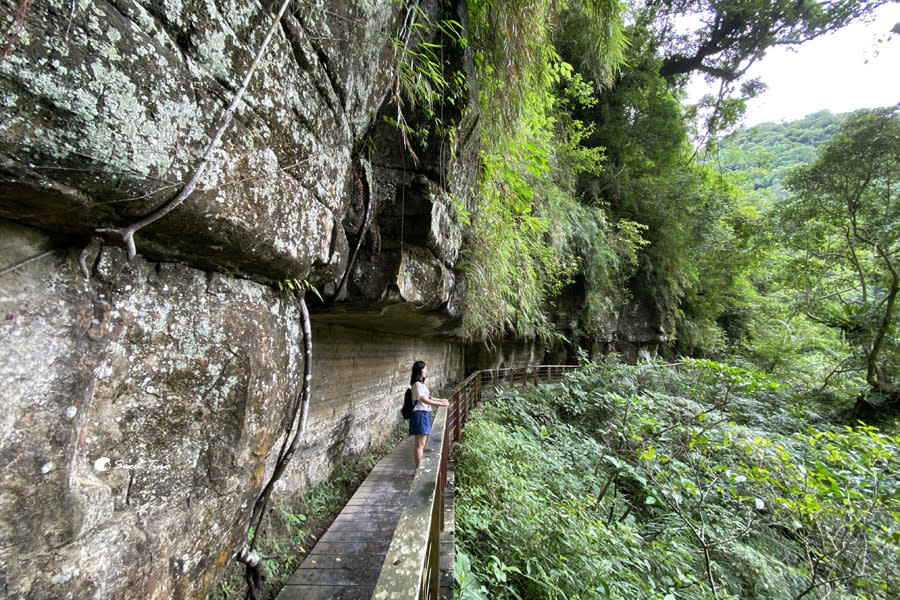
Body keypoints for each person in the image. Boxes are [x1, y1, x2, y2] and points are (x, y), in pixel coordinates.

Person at [408, 360, 449, 468]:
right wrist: (439, 405)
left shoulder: (422, 384)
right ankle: (419, 470)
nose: (426, 371)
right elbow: (423, 399)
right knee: (420, 445)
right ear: (419, 370)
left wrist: (441, 401)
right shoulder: (416, 385)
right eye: (424, 368)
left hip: (424, 414)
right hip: (420, 414)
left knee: (421, 444)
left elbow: (429, 398)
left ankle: (419, 468)